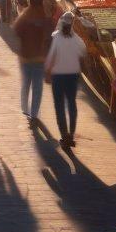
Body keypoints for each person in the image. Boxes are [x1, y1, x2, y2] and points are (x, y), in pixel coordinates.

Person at [44, 11, 86, 150]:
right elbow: (83, 53)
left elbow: (51, 56)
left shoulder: (56, 38)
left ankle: (64, 134)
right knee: (72, 104)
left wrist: (47, 72)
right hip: (73, 76)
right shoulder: (77, 40)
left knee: (59, 106)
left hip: (58, 76)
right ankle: (71, 135)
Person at [12, 0, 52, 125]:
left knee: (25, 85)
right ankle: (34, 114)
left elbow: (16, 30)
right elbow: (49, 37)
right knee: (37, 88)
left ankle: (25, 109)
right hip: (39, 59)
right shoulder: (44, 18)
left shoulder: (24, 17)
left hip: (25, 58)